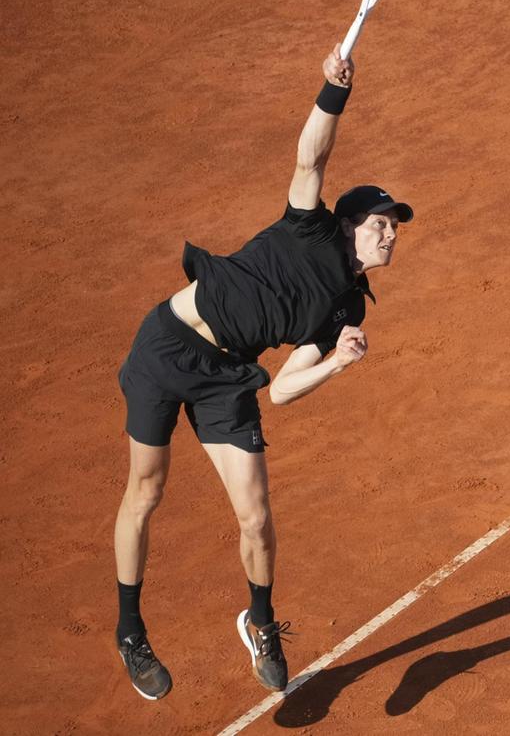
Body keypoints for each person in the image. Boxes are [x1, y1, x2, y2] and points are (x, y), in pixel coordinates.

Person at [112, 43, 413, 700]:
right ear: (350, 225)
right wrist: (332, 92)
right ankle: (131, 630)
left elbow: (279, 390)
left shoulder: (347, 308)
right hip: (168, 346)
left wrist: (334, 363)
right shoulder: (308, 227)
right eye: (382, 224)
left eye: (395, 228)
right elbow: (312, 155)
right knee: (148, 490)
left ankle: (262, 621)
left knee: (256, 517)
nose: (391, 235)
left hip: (229, 378)